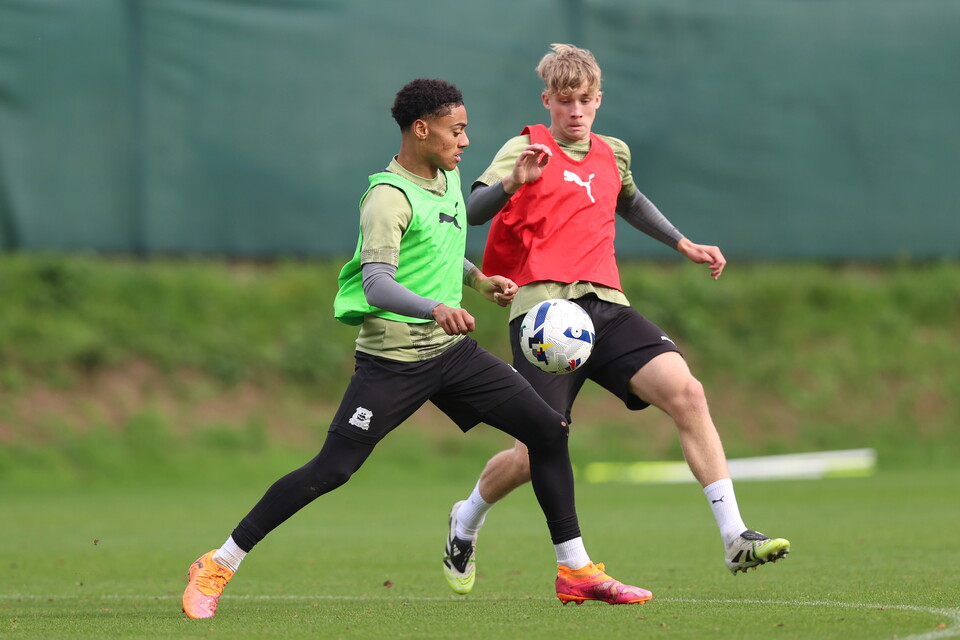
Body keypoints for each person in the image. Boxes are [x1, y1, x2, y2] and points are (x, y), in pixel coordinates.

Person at [181, 78, 653, 619]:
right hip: (393, 360)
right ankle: (219, 562)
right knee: (332, 469)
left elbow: (442, 249)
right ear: (421, 130)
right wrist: (435, 308)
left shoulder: (448, 177)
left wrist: (479, 282)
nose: (467, 142)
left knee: (547, 429)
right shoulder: (387, 197)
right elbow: (378, 282)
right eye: (458, 130)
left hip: (450, 353)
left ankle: (575, 571)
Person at [441, 45, 790, 593]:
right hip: (543, 316)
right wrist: (514, 183)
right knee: (534, 452)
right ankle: (466, 517)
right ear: (547, 101)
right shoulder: (525, 147)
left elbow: (629, 200)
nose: (574, 110)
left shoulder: (613, 152)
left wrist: (682, 242)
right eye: (564, 101)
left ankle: (735, 536)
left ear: (598, 100)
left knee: (688, 393)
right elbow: (473, 208)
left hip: (607, 306)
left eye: (584, 100)